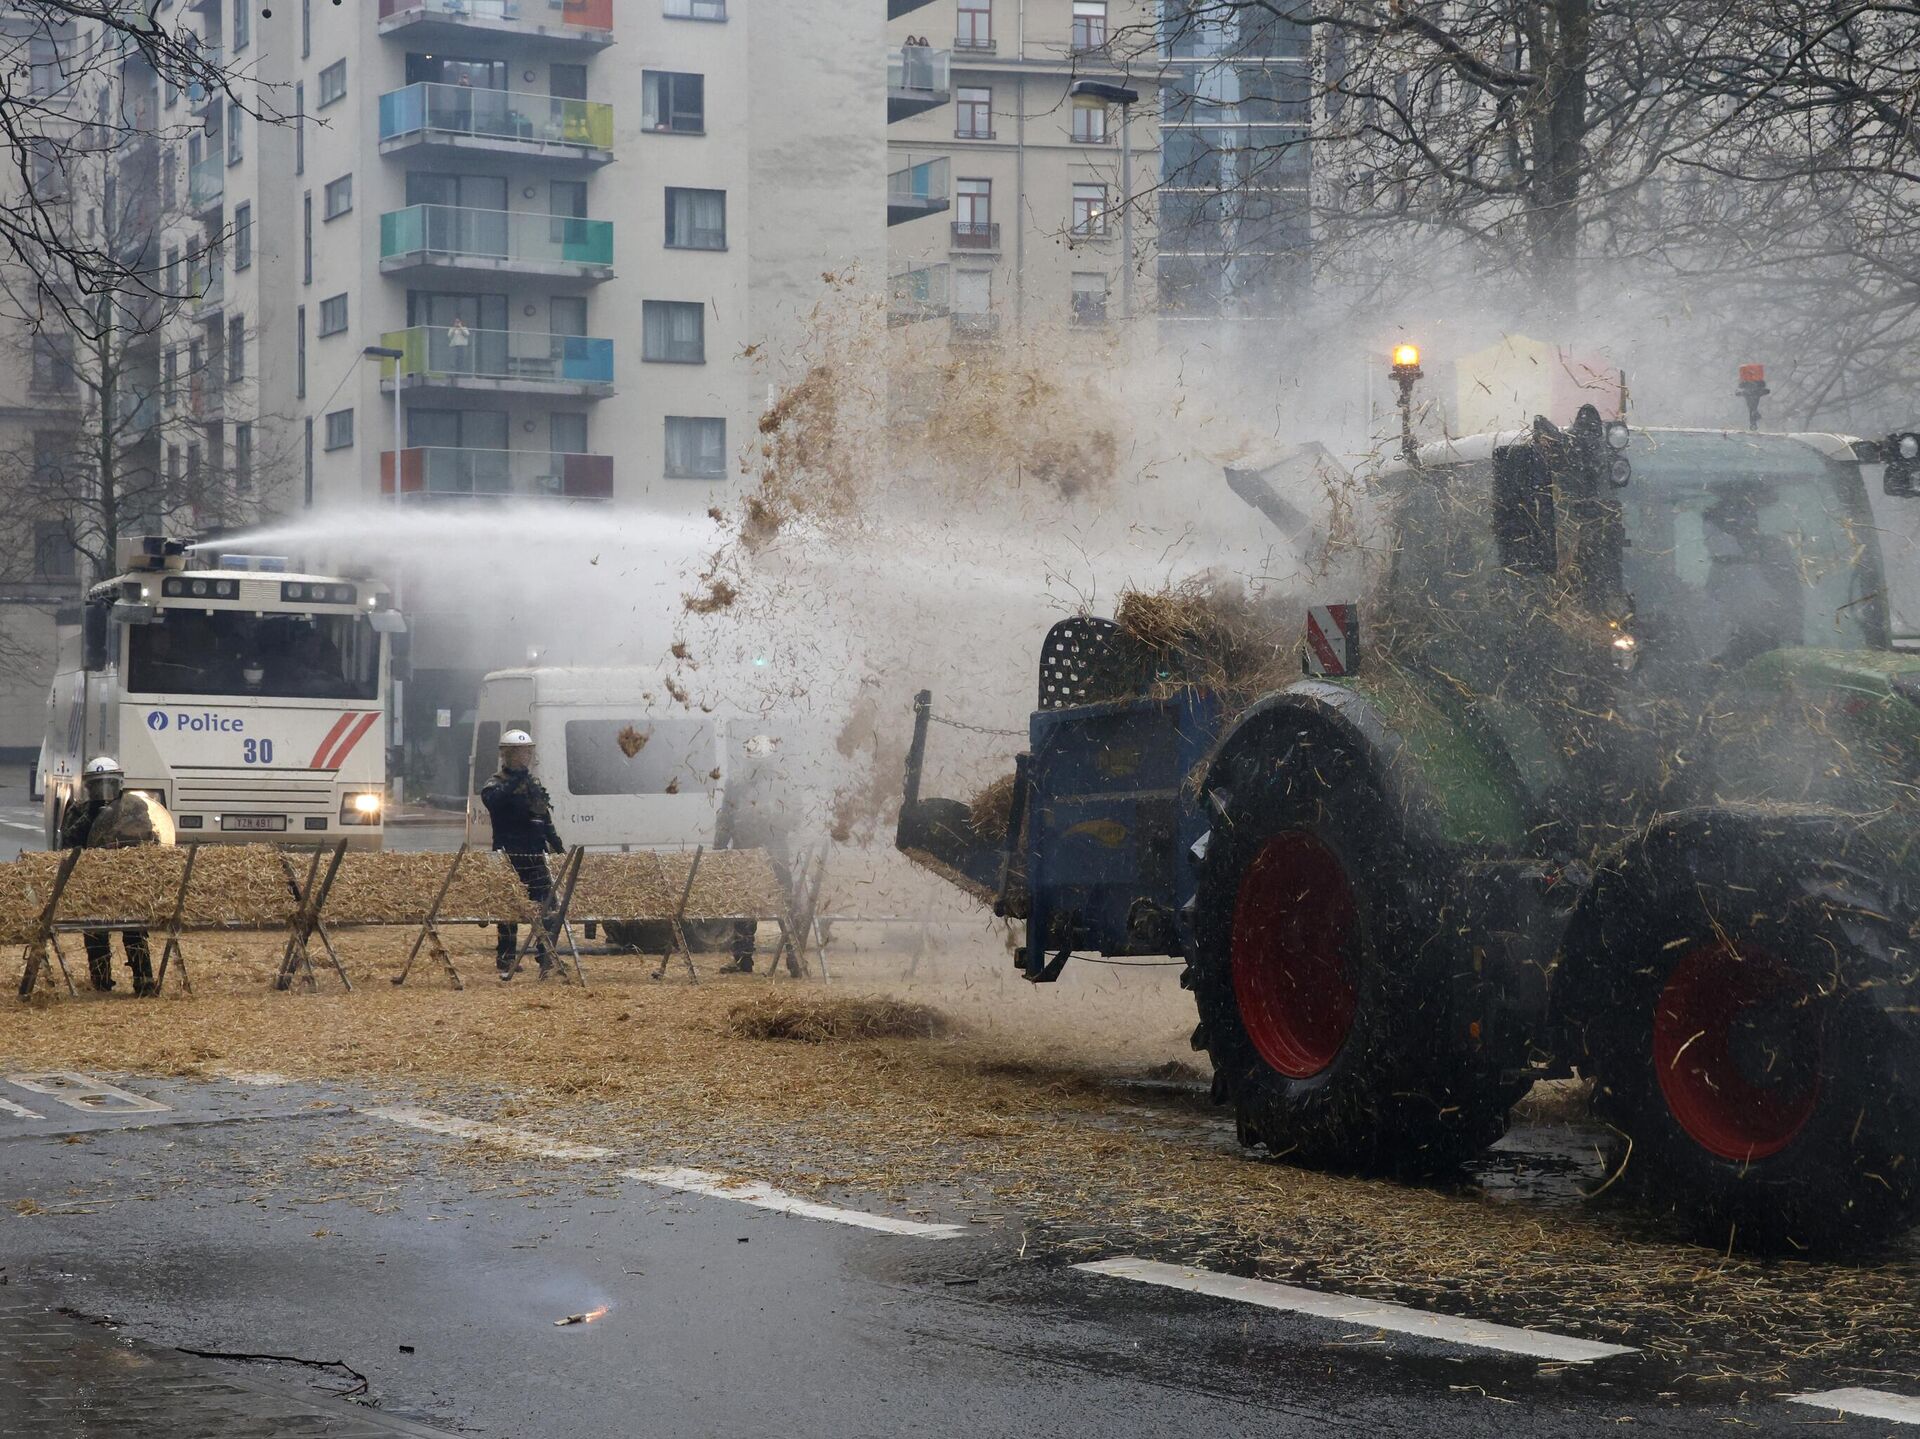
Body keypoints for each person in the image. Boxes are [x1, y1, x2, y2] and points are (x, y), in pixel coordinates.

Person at [60, 757, 162, 996]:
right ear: (88, 786)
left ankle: (144, 981)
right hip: (92, 878)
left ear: (119, 783)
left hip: (127, 877)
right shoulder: (78, 810)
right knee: (95, 929)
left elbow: (149, 837)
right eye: (97, 785)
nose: (102, 790)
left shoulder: (135, 807)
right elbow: (67, 843)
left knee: (135, 929)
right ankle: (101, 980)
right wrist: (91, 816)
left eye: (107, 783)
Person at [480, 729, 564, 980]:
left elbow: (542, 814)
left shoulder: (533, 784)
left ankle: (546, 958)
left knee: (545, 906)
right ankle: (506, 958)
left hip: (534, 854)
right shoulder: (494, 783)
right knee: (508, 907)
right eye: (517, 753)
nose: (523, 757)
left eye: (527, 752)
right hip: (507, 853)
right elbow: (493, 803)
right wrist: (515, 781)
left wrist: (554, 840)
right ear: (506, 754)